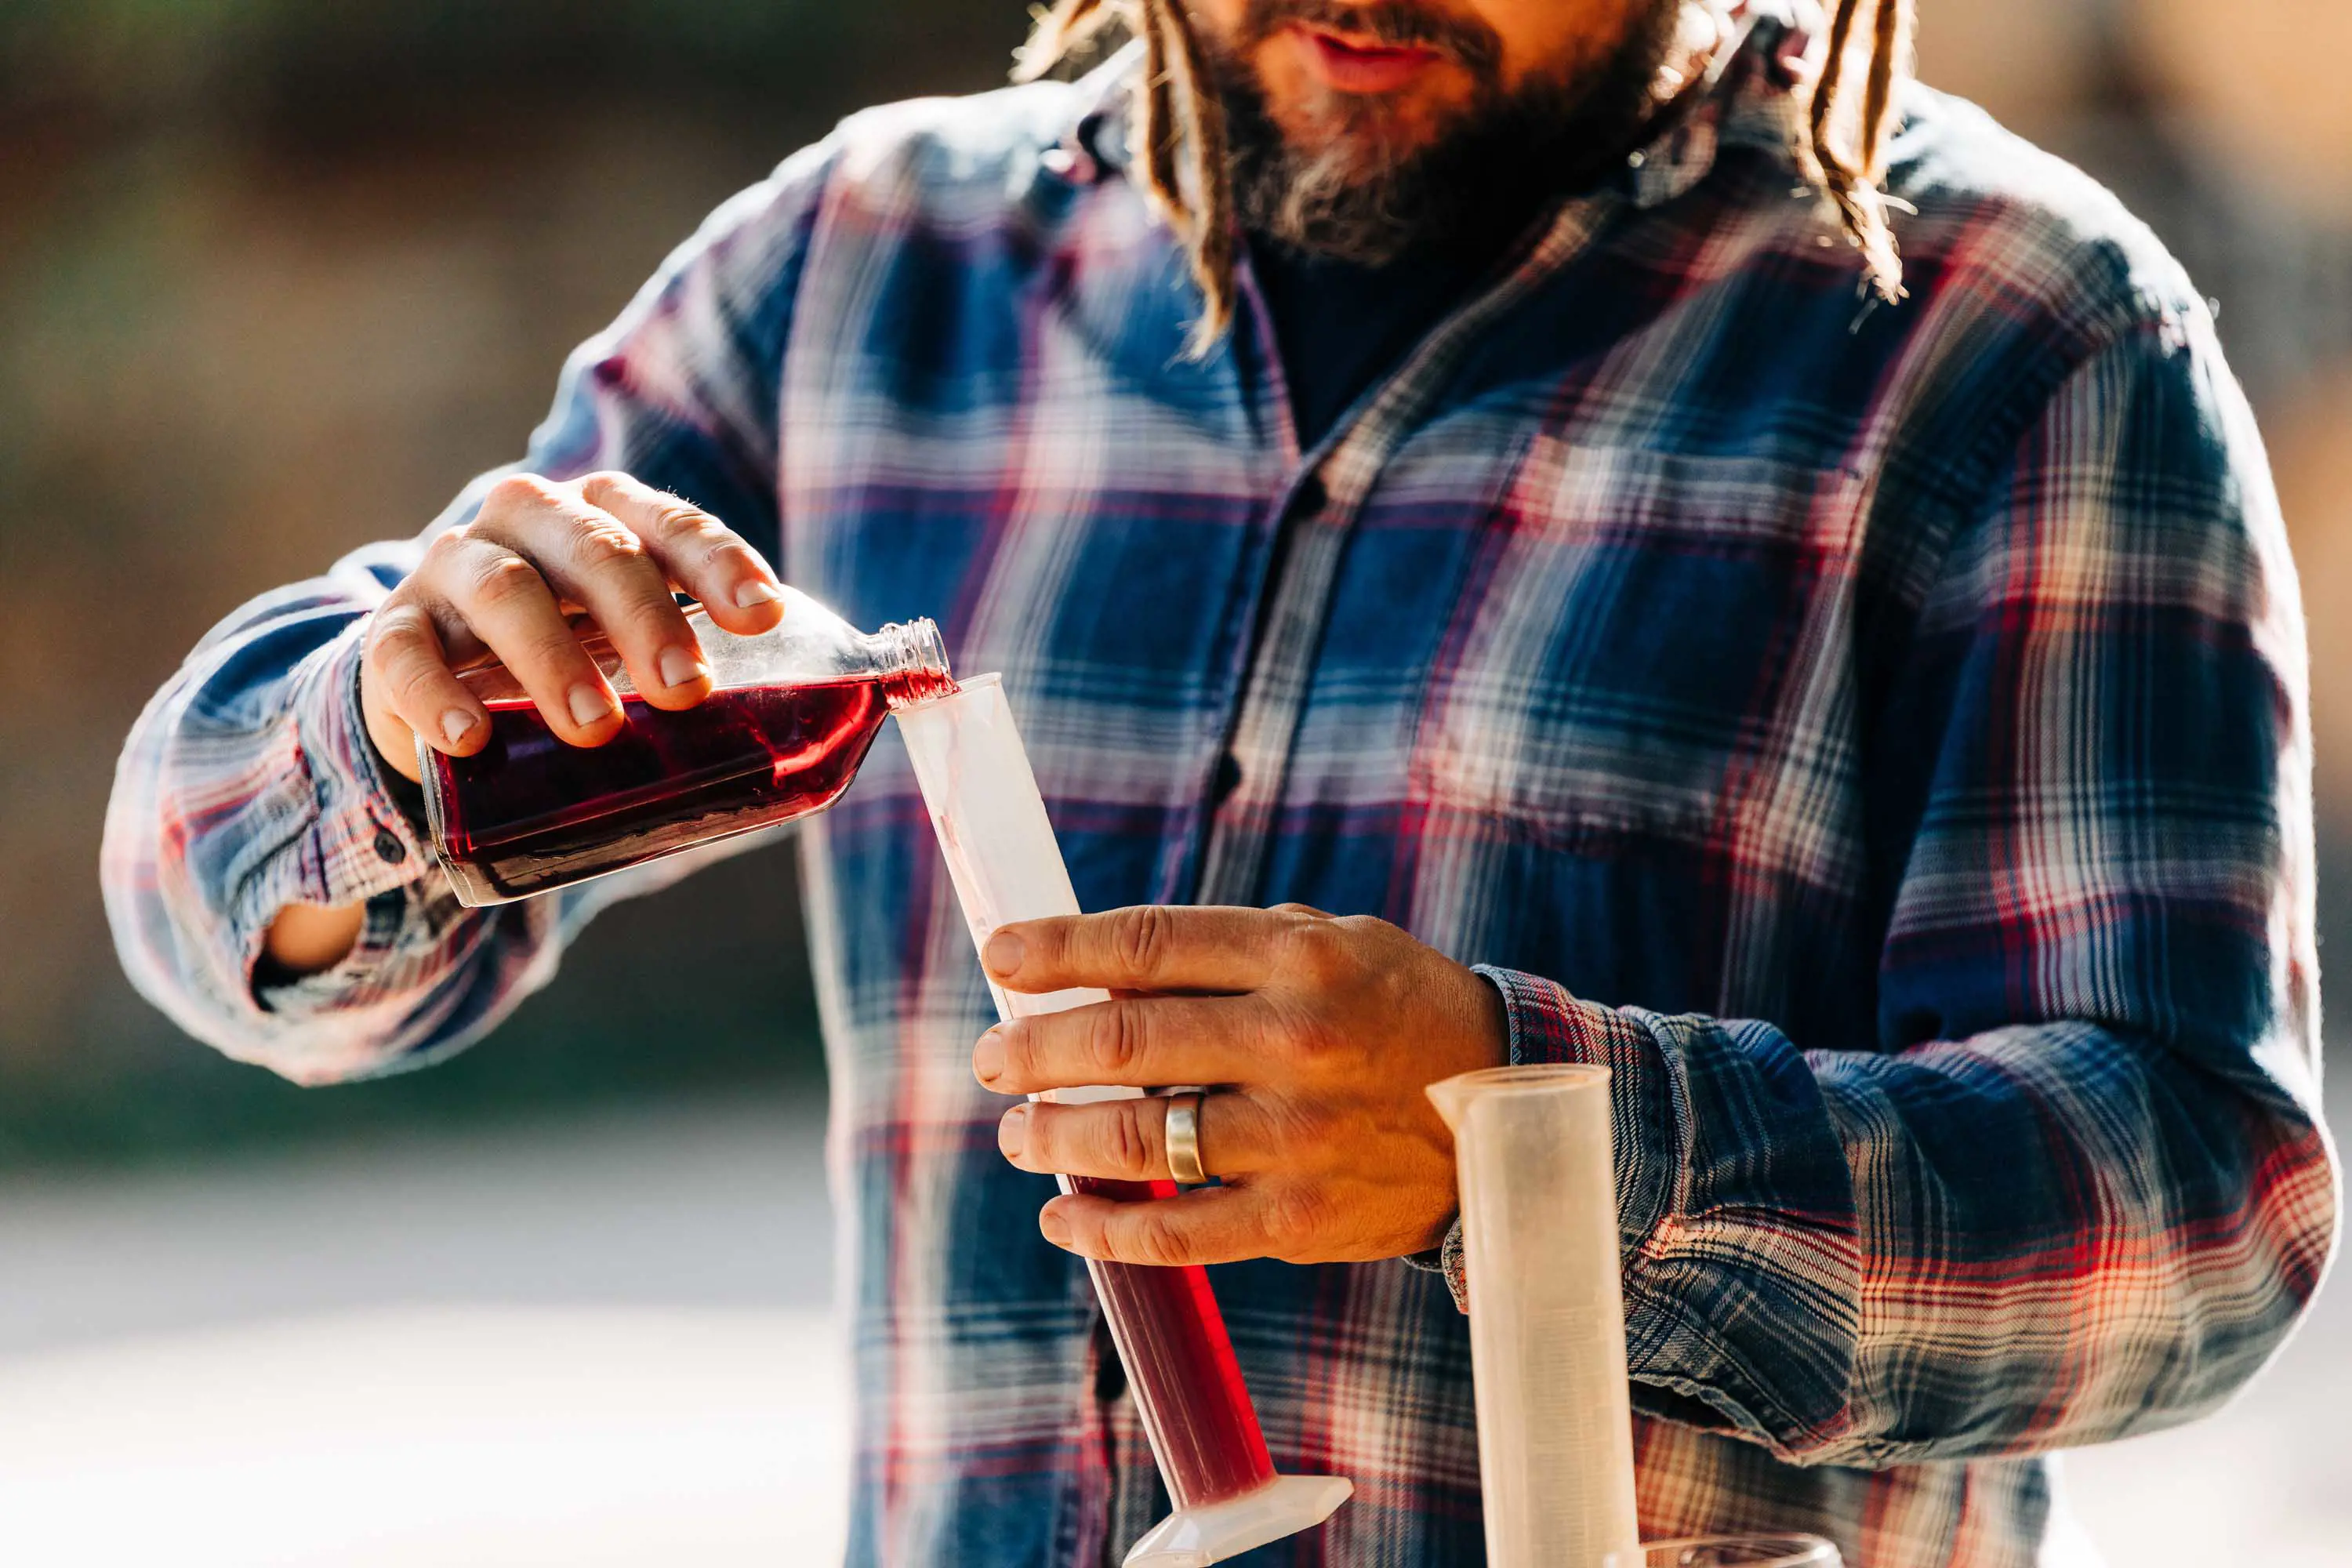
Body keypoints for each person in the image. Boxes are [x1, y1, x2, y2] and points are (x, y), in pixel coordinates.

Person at [102, 0, 2339, 1561]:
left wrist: (1524, 1140)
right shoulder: (865, 265)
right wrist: (383, 741)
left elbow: (2203, 1219)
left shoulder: (2018, 335)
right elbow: (232, 920)